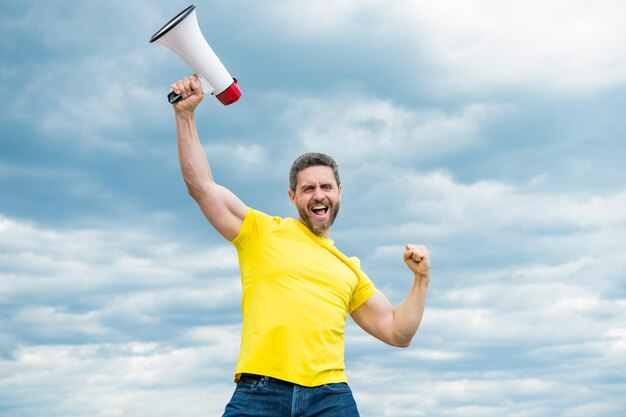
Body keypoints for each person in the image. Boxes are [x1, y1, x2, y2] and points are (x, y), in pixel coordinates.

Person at [170, 75, 430, 417]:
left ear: (339, 193)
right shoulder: (262, 232)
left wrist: (421, 279)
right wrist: (185, 115)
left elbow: (398, 332)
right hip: (260, 391)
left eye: (326, 187)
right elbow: (202, 188)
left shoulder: (348, 268)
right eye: (308, 189)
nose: (318, 194)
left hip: (330, 397)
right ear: (293, 197)